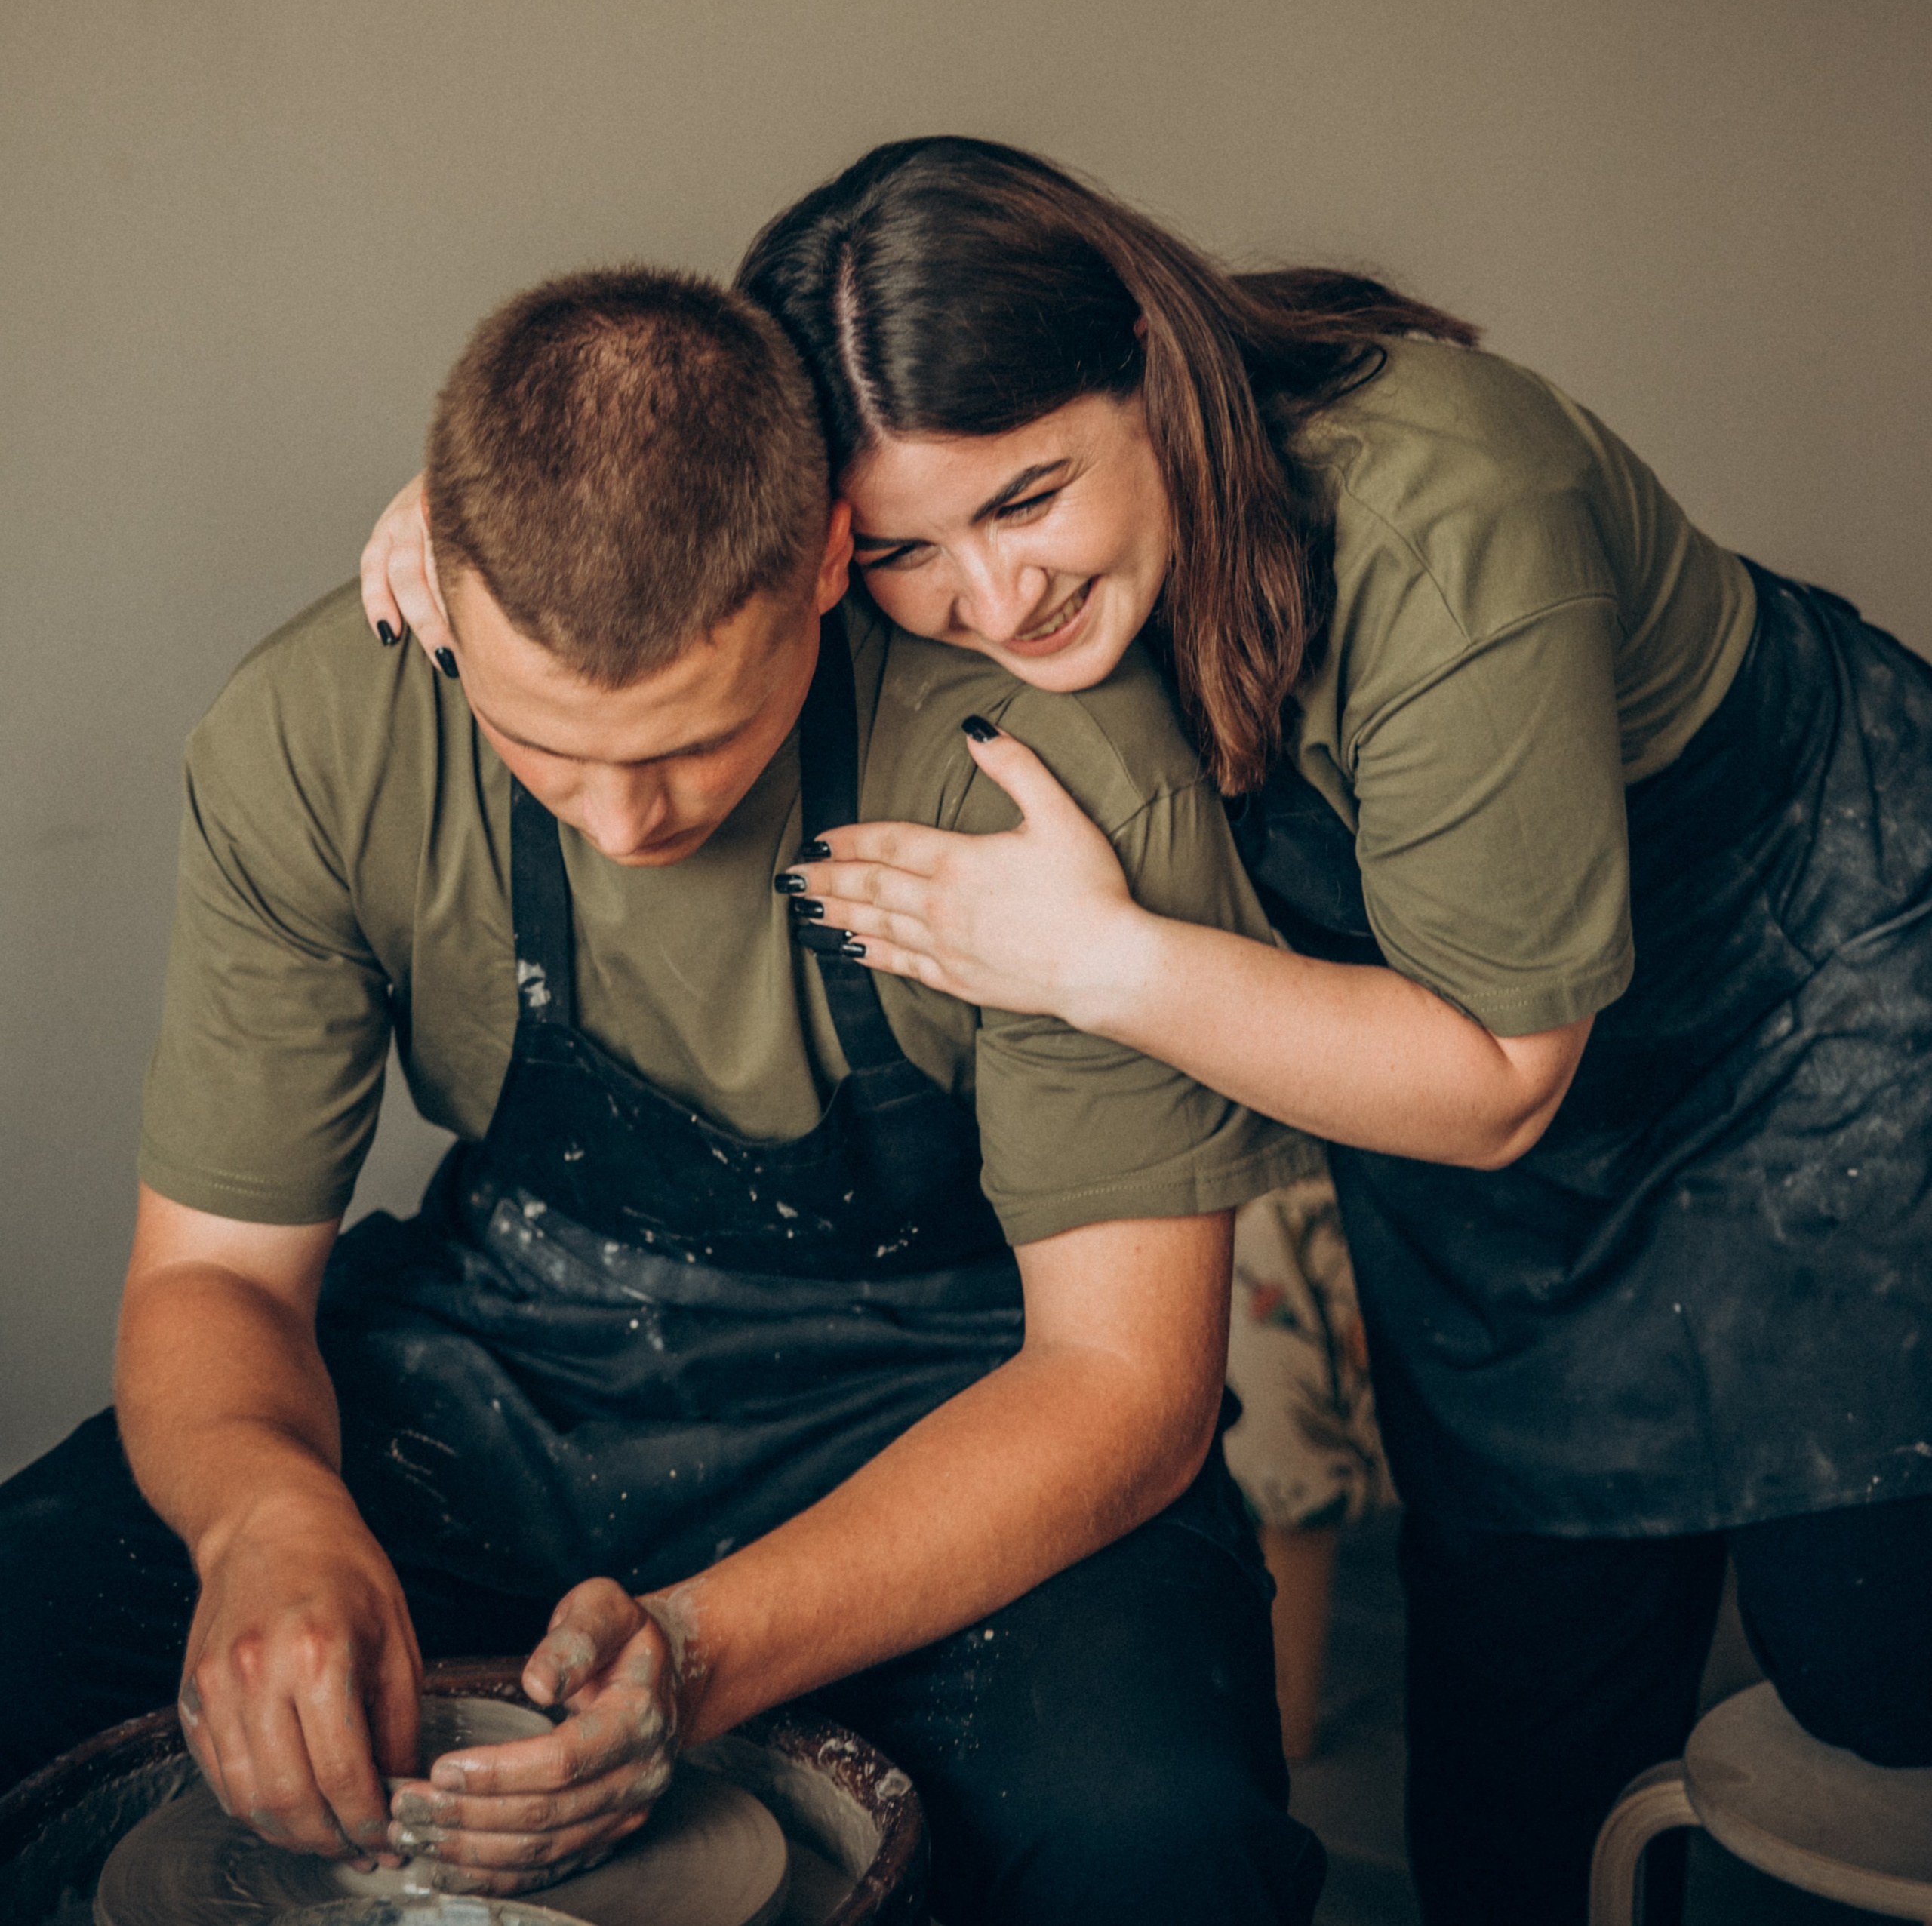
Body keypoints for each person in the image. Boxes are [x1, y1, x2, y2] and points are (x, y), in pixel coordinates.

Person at [352, 134, 1932, 1926]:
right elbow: (663, 473)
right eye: (902, 549)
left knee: (1876, 1680)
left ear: (1148, 370)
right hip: (1444, 1070)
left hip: (1805, 993)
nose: (989, 600)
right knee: (1518, 1753)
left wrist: (1092, 962)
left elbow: (1496, 1078)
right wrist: (502, 538)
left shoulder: (1442, 497)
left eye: (1028, 499)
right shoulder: (930, 559)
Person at [0, 263, 1328, 1926]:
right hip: (506, 1360)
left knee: (1157, 1840)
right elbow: (212, 1276)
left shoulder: (1039, 772)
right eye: (546, 751)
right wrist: (267, 1516)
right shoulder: (317, 731)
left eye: (698, 741)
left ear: (829, 563)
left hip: (967, 1398)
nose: (627, 822)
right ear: (445, 591)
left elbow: (1124, 1383)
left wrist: (702, 1649)